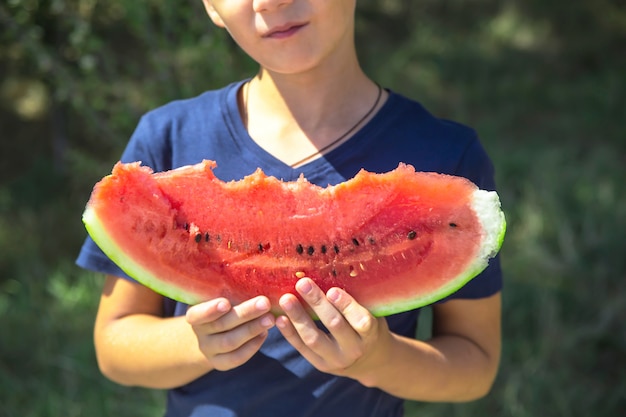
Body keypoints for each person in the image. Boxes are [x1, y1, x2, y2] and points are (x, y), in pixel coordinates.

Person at [76, 1, 502, 416]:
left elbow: (475, 365)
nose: (270, 2)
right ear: (210, 7)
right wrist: (198, 344)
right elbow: (114, 347)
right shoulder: (166, 140)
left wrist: (381, 360)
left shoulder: (446, 161)